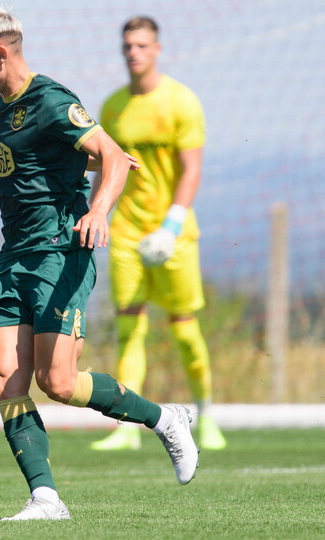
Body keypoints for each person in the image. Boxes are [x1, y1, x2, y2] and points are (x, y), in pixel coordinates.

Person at [0, 6, 199, 520]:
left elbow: (114, 157)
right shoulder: (4, 109)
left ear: (0, 54)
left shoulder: (51, 100)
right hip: (16, 259)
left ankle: (164, 418)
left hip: (59, 253)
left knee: (58, 383)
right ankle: (45, 497)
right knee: (3, 376)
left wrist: (99, 209)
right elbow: (19, 160)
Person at [90, 16, 226, 452]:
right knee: (130, 331)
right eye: (128, 45)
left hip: (174, 236)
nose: (134, 52)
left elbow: (192, 169)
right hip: (126, 233)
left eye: (142, 45)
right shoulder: (112, 107)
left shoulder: (181, 101)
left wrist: (170, 224)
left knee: (185, 329)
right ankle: (128, 427)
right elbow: (105, 169)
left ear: (157, 49)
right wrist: (97, 213)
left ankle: (206, 417)